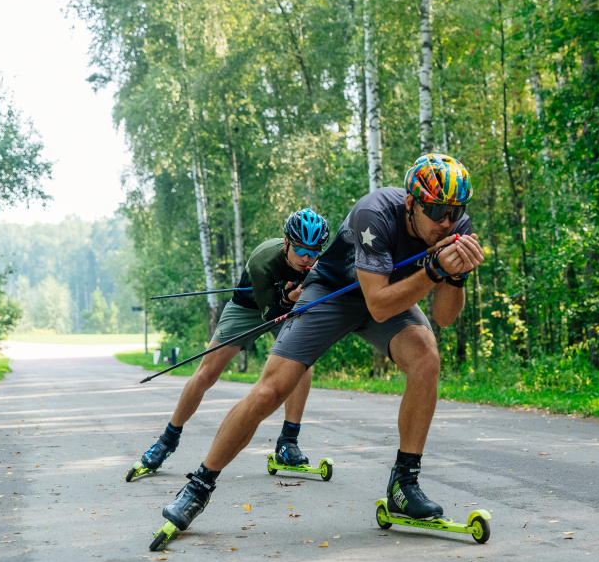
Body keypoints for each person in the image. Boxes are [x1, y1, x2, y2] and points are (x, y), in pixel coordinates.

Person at [159, 153, 484, 532]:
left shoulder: (456, 226)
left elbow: (445, 317)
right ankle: (199, 485)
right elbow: (378, 305)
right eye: (439, 211)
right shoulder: (374, 214)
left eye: (456, 210)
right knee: (271, 390)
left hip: (392, 295)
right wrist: (435, 269)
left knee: (427, 356)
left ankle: (404, 487)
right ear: (411, 203)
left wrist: (457, 277)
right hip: (334, 293)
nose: (448, 222)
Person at [128, 209, 331, 481]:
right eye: (300, 249)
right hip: (249, 308)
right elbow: (270, 314)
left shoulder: (316, 262)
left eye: (313, 251)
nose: (306, 257)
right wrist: (287, 297)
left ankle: (288, 443)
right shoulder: (263, 261)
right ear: (286, 243)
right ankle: (167, 440)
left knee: (303, 364)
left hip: (289, 307)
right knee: (206, 373)